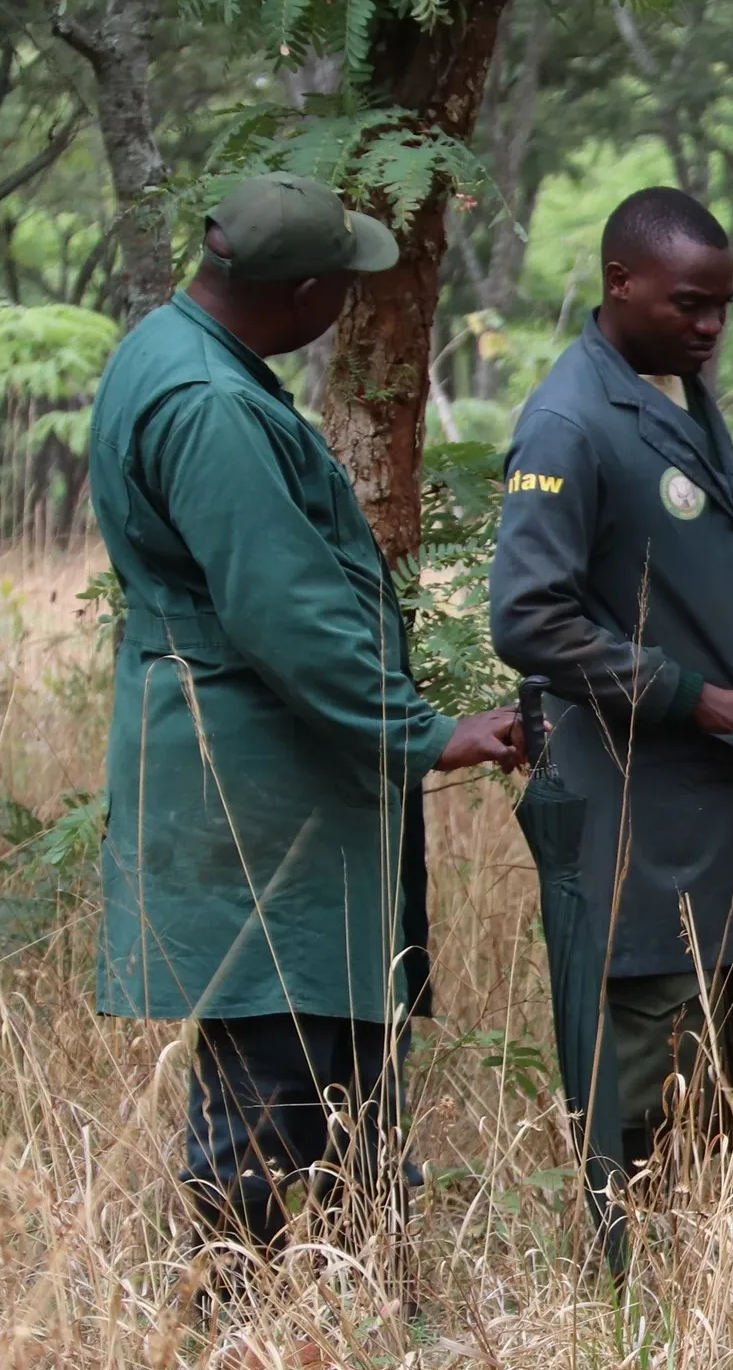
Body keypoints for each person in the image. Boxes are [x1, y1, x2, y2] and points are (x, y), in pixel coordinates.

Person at [90, 170, 524, 1257]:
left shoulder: (171, 350)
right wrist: (430, 732)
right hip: (260, 796)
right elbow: (285, 613)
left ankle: (350, 1310)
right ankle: (232, 1331)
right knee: (274, 1081)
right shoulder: (214, 406)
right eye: (345, 281)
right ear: (304, 291)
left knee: (333, 1065)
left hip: (263, 782)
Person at [489, 187, 733, 1181]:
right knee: (641, 1081)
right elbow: (529, 617)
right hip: (645, 810)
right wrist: (682, 693)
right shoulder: (568, 422)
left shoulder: (676, 391)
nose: (709, 328)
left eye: (722, 309)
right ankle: (621, 1293)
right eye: (688, 304)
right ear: (620, 282)